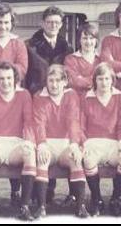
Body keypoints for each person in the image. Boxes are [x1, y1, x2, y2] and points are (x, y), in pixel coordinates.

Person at [0, 62, 38, 220]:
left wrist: (29, 141)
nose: (6, 82)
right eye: (2, 78)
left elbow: (29, 122)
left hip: (15, 143)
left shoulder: (24, 95)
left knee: (30, 153)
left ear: (15, 78)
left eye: (9, 78)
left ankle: (24, 206)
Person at [31, 65, 88, 218]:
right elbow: (39, 123)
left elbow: (73, 121)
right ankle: (41, 207)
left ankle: (80, 206)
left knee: (75, 159)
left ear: (64, 82)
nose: (54, 84)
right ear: (46, 82)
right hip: (47, 142)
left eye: (58, 80)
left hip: (65, 142)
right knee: (42, 159)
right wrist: (41, 144)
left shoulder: (71, 95)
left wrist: (74, 145)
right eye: (51, 80)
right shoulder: (39, 96)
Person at [79, 62, 121, 216]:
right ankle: (97, 200)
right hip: (92, 142)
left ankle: (116, 198)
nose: (104, 82)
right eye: (100, 79)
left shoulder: (120, 97)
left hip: (113, 142)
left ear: (112, 80)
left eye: (107, 79)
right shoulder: (85, 98)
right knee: (88, 160)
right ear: (95, 80)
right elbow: (80, 126)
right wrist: (84, 144)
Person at [26, 6, 73, 92]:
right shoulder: (29, 46)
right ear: (42, 23)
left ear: (61, 24)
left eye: (57, 22)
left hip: (58, 96)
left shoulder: (67, 48)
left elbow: (68, 76)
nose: (53, 26)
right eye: (49, 22)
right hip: (36, 95)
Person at [64, 22, 101, 96]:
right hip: (77, 99)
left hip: (97, 99)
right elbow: (74, 82)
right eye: (85, 38)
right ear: (79, 40)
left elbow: (106, 80)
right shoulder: (70, 59)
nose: (88, 42)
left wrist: (82, 78)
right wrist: (95, 81)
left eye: (91, 38)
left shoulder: (101, 59)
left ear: (96, 40)